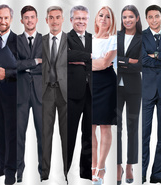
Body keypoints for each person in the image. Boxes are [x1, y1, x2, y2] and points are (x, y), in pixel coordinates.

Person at [13, 5, 45, 182]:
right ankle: (19, 172)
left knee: (43, 135)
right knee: (19, 135)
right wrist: (34, 61)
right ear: (22, 20)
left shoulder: (45, 40)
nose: (30, 20)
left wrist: (25, 65)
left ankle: (43, 172)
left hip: (40, 93)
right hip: (21, 93)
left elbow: (48, 64)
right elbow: (13, 65)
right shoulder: (15, 40)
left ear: (37, 19)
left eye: (32, 17)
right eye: (26, 17)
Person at [0, 5, 20, 184]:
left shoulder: (19, 40)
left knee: (11, 132)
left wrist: (7, 74)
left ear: (11, 19)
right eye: (0, 18)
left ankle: (11, 171)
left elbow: (26, 68)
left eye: (6, 18)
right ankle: (2, 165)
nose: (2, 21)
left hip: (11, 92)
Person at [139, 4, 161, 184]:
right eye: (150, 17)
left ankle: (157, 172)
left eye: (156, 16)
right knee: (145, 133)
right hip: (147, 89)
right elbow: (142, 60)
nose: (154, 20)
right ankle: (142, 173)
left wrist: (155, 55)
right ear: (146, 19)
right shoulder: (141, 36)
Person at [89, 5, 118, 185]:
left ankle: (101, 167)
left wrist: (91, 60)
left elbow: (105, 63)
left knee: (105, 126)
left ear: (111, 21)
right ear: (96, 18)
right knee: (90, 127)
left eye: (108, 17)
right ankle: (93, 166)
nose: (104, 19)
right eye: (101, 15)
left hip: (107, 83)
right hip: (90, 83)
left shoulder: (114, 39)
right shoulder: (88, 39)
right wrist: (95, 62)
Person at [40, 6, 69, 182]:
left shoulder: (70, 40)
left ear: (63, 19)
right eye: (51, 17)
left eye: (58, 17)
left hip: (65, 92)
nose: (55, 21)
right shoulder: (41, 40)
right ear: (47, 20)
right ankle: (44, 174)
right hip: (46, 92)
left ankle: (68, 173)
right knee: (45, 134)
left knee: (66, 135)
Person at [65, 5, 93, 181]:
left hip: (92, 92)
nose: (81, 21)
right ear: (71, 20)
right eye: (77, 18)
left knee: (89, 134)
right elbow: (64, 56)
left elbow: (103, 57)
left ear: (87, 20)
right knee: (69, 134)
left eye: (84, 18)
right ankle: (64, 172)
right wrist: (89, 56)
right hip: (72, 93)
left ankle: (86, 172)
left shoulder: (93, 38)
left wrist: (78, 58)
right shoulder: (65, 38)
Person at [114, 5, 141, 184]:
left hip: (134, 88)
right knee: (117, 127)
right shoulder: (116, 36)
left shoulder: (143, 38)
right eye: (124, 17)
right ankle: (118, 166)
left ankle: (130, 165)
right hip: (115, 86)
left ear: (137, 18)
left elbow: (141, 65)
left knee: (132, 127)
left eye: (131, 17)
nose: (127, 20)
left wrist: (122, 61)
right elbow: (111, 59)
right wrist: (127, 61)